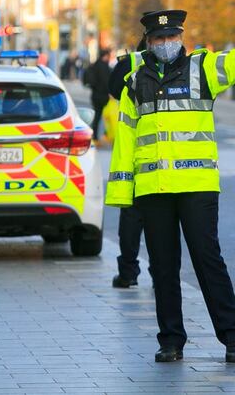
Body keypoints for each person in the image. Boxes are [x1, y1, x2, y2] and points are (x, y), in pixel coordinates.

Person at [106, 5, 235, 363]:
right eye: (159, 38)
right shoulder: (135, 81)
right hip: (153, 188)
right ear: (148, 43)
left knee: (208, 261)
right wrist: (123, 191)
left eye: (172, 36)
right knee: (162, 266)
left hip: (196, 185)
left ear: (182, 38)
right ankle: (170, 341)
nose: (166, 42)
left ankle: (234, 338)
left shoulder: (203, 68)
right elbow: (126, 138)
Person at [107, 39, 148, 289]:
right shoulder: (182, 63)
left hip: (133, 155)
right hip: (163, 159)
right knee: (161, 224)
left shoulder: (130, 63)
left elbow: (112, 91)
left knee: (131, 222)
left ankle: (128, 272)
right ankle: (161, 274)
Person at [83, 48, 112, 139]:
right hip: (102, 96)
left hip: (95, 95)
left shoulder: (95, 65)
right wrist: (110, 92)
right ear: (105, 56)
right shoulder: (104, 66)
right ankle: (101, 135)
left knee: (97, 116)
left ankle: (95, 135)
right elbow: (106, 81)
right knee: (106, 116)